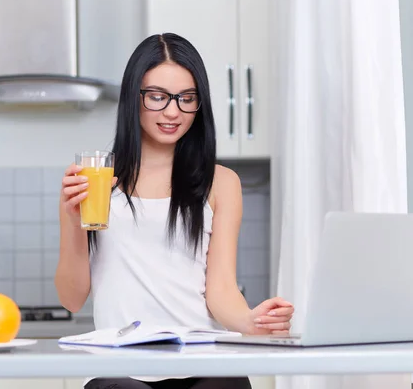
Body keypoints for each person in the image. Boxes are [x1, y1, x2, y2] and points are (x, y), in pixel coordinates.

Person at [55, 33, 294, 389]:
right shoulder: (96, 180)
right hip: (119, 369)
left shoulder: (221, 183)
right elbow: (72, 298)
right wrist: (73, 223)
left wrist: (250, 322)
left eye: (187, 98)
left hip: (202, 360)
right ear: (133, 98)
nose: (172, 112)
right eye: (157, 97)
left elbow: (221, 289)